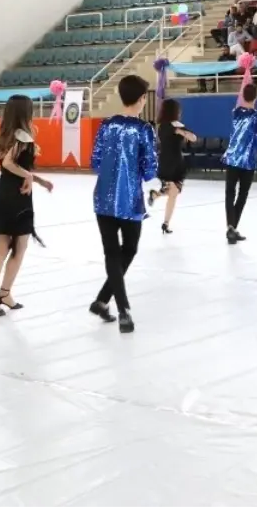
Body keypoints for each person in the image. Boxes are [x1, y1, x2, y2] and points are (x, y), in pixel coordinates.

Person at [89, 75, 158, 333]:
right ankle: (123, 309)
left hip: (103, 197)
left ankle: (103, 301)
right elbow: (150, 169)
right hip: (129, 200)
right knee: (129, 249)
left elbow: (95, 161)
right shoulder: (143, 129)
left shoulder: (106, 125)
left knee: (111, 252)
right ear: (141, 99)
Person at [0, 95, 53, 317]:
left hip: (1, 195)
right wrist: (29, 175)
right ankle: (4, 292)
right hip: (18, 200)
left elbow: (11, 166)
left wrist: (38, 180)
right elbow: (11, 163)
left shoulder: (6, 136)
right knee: (20, 247)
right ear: (25, 113)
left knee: (1, 248)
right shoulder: (23, 137)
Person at [221, 83, 257, 244]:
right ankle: (232, 228)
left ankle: (231, 228)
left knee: (230, 193)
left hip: (232, 157)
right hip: (247, 160)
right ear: (256, 97)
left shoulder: (235, 112)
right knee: (242, 194)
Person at [147, 99, 197, 234]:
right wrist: (181, 132)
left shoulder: (167, 125)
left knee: (173, 192)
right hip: (171, 161)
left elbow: (192, 137)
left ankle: (165, 221)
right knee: (173, 191)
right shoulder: (168, 126)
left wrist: (182, 132)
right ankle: (164, 218)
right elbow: (190, 137)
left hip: (171, 161)